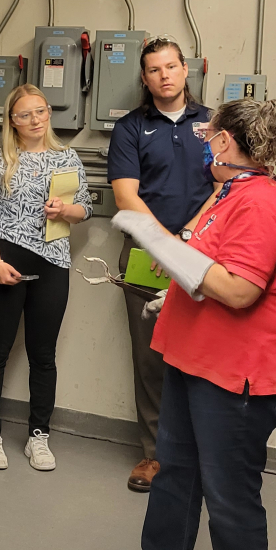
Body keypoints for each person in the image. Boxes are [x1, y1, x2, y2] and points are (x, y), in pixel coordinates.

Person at [112, 99, 276, 550]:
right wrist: (169, 287)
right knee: (174, 476)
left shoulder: (265, 202)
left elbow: (239, 290)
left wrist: (153, 237)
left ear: (226, 143)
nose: (204, 141)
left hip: (236, 375)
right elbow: (204, 261)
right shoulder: (228, 192)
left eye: (211, 134)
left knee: (230, 498)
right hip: (190, 358)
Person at [106, 36, 213, 492]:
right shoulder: (130, 128)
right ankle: (153, 456)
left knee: (204, 355)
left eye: (171, 67)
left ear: (186, 69)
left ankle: (200, 456)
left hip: (207, 252)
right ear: (145, 78)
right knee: (151, 357)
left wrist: (188, 238)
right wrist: (167, 244)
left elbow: (227, 188)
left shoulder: (213, 123)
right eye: (154, 69)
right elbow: (126, 196)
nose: (164, 76)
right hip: (144, 255)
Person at [0, 84, 93, 472]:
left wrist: (67, 210)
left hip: (53, 264)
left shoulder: (68, 157)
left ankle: (38, 436)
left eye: (40, 112)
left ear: (48, 113)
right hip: (5, 262)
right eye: (25, 115)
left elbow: (86, 209)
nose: (35, 120)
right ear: (12, 120)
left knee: (44, 355)